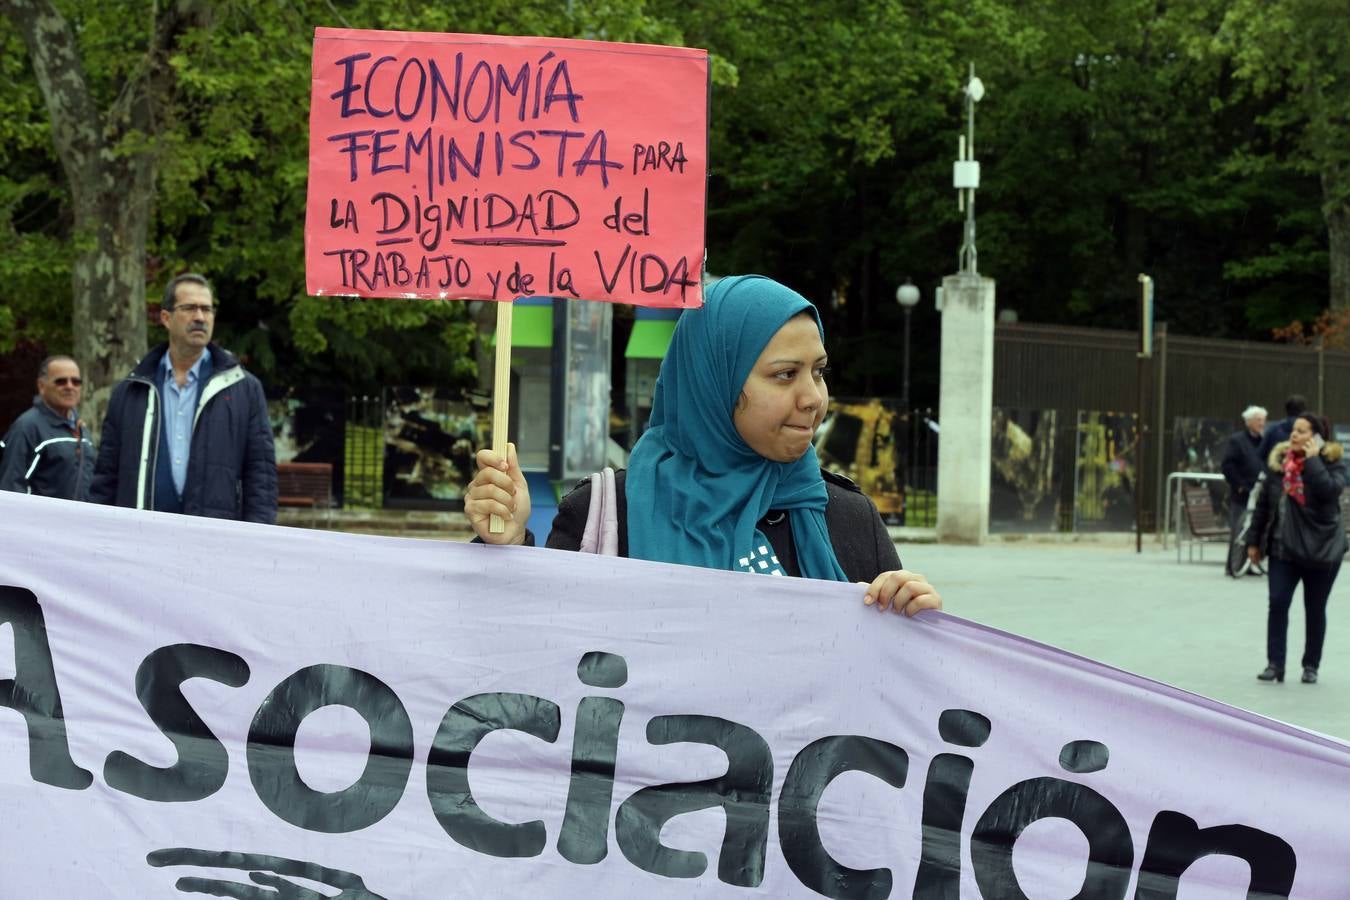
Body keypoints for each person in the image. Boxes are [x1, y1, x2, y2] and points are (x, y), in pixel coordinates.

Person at [464, 275, 941, 616]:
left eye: (819, 372)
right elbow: (533, 656)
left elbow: (891, 697)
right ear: (712, 383)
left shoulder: (848, 518)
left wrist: (914, 622)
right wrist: (507, 546)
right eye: (784, 375)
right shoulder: (609, 512)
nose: (813, 398)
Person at [90, 273, 278, 522]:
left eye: (206, 309)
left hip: (213, 536)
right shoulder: (131, 392)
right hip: (142, 535)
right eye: (189, 308)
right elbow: (106, 477)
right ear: (166, 318)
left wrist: (258, 535)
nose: (200, 317)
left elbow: (261, 477)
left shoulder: (244, 389)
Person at [1247, 412, 1346, 684]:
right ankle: (1275, 663)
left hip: (1321, 551)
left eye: (1302, 431)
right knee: (1278, 603)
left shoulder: (1332, 462)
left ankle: (1311, 665)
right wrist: (1253, 541)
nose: (1293, 434)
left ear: (1316, 438)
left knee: (1315, 608)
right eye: (1293, 429)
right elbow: (1264, 506)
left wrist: (1313, 461)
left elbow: (1329, 491)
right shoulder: (1279, 464)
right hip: (1283, 549)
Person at [0, 355, 94, 500]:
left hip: (77, 515)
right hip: (38, 515)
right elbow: (12, 485)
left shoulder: (81, 429)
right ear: (41, 386)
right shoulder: (27, 427)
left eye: (76, 382)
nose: (70, 386)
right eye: (61, 381)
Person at [1221, 405, 1267, 574]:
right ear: (1248, 422)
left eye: (1263, 420)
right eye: (1258, 420)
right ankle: (1233, 565)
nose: (1262, 423)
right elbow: (1227, 465)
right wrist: (1239, 485)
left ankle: (1250, 564)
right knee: (1238, 529)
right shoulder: (1237, 440)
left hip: (1259, 492)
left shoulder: (1264, 441)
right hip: (1242, 493)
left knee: (1255, 529)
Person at [1257, 394, 1308, 462]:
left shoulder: (1272, 429)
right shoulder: (1311, 430)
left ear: (1286, 410)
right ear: (1304, 411)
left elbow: (1259, 456)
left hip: (1274, 467)